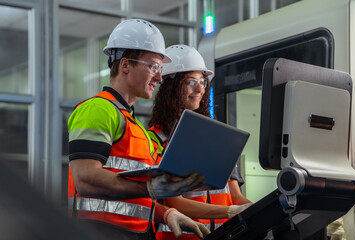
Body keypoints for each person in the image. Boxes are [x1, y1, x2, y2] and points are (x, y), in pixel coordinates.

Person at [67, 19, 210, 240]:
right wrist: (151, 189)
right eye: (153, 66)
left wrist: (166, 213)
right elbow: (85, 178)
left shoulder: (136, 128)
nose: (159, 77)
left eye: (160, 69)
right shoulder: (97, 109)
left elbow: (130, 203)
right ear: (125, 65)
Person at [147, 44, 252, 240]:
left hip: (223, 236)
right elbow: (175, 202)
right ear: (170, 86)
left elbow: (235, 196)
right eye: (190, 81)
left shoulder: (219, 138)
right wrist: (229, 212)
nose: (199, 89)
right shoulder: (155, 140)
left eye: (202, 81)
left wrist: (256, 211)